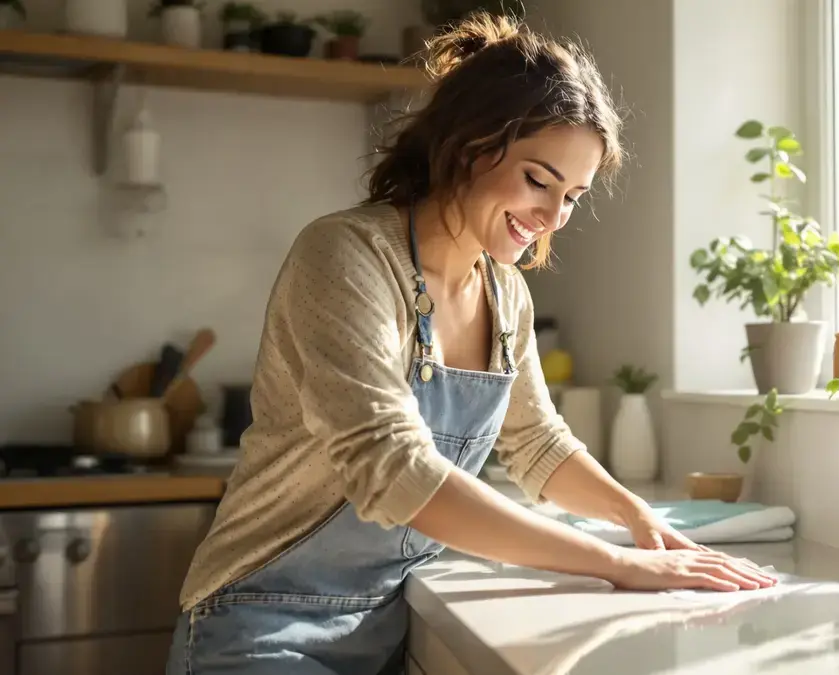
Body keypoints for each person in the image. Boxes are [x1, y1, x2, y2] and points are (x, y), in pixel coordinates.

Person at [166, 11, 776, 674]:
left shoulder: (506, 294)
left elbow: (537, 443)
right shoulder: (344, 256)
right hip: (258, 623)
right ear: (468, 145)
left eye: (573, 196)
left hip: (383, 624)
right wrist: (615, 563)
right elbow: (392, 466)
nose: (552, 217)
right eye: (539, 180)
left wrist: (641, 523)